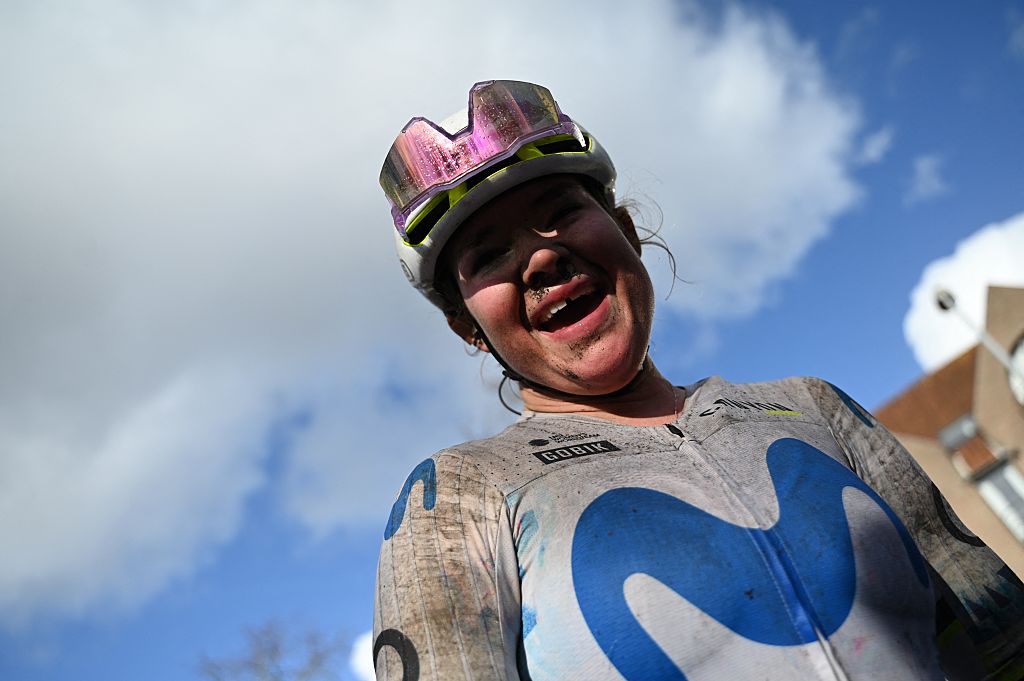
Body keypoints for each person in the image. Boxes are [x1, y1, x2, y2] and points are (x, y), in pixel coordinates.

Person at [371, 80, 1024, 680]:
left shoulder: (813, 406)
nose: (541, 253)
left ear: (624, 230)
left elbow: (1001, 634)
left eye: (561, 210)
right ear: (467, 328)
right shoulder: (456, 497)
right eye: (488, 254)